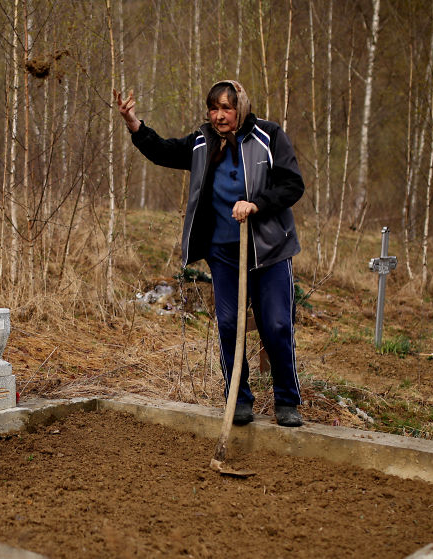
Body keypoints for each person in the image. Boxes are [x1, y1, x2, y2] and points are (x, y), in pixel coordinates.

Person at [114, 80, 305, 427]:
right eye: (214, 108)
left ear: (240, 108)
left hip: (269, 251)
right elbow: (164, 151)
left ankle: (287, 402)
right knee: (230, 324)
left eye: (226, 108)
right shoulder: (202, 142)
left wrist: (256, 204)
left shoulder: (269, 136)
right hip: (224, 253)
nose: (219, 116)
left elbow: (293, 184)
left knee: (276, 325)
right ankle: (239, 399)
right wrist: (133, 124)